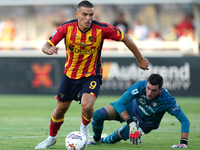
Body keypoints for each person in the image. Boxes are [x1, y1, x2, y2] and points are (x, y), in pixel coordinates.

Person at [35, 1, 149, 149]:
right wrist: (48, 50)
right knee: (60, 109)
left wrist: (140, 58)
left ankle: (84, 127)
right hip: (70, 75)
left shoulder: (101, 29)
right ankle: (51, 138)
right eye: (84, 14)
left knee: (87, 105)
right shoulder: (66, 28)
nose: (88, 18)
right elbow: (46, 45)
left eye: (91, 15)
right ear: (77, 15)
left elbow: (125, 37)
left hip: (91, 74)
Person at [90, 74, 190, 148]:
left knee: (112, 140)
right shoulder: (140, 86)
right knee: (98, 115)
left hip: (145, 123)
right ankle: (96, 139)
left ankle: (104, 139)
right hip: (131, 107)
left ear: (160, 89)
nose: (149, 93)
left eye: (153, 90)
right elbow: (119, 104)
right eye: (148, 88)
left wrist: (183, 143)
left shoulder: (167, 100)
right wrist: (130, 121)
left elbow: (185, 121)